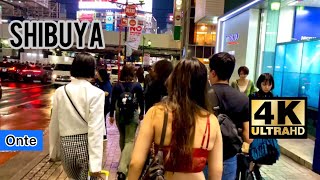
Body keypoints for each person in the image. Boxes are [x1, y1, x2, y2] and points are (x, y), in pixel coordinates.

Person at [128, 58, 223, 180]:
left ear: (173, 80)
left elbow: (135, 163)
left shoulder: (156, 113)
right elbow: (217, 171)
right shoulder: (211, 121)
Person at [49, 53, 105, 180]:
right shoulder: (97, 94)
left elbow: (54, 123)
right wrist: (96, 165)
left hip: (65, 146)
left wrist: (53, 151)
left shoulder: (60, 92)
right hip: (85, 146)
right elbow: (95, 129)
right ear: (92, 70)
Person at [206, 52, 253, 180]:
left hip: (203, 158)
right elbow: (248, 135)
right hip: (228, 158)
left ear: (213, 73)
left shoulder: (202, 96)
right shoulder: (243, 99)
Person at [109, 64, 145, 180]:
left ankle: (124, 161)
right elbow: (141, 101)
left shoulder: (117, 86)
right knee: (130, 140)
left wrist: (111, 115)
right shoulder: (137, 86)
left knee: (122, 137)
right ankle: (123, 168)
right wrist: (141, 114)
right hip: (132, 114)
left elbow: (113, 100)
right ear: (133, 73)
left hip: (119, 113)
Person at [249, 73, 280, 180]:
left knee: (268, 154)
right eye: (264, 84)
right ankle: (252, 172)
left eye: (269, 84)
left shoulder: (274, 98)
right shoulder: (253, 96)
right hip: (256, 130)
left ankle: (255, 170)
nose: (267, 87)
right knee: (255, 152)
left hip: (269, 131)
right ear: (260, 84)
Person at [95, 68, 113, 139]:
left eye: (98, 73)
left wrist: (100, 93)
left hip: (104, 105)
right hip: (98, 105)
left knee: (102, 119)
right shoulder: (97, 82)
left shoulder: (107, 84)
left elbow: (108, 93)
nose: (96, 74)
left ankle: (103, 134)